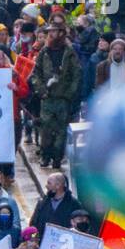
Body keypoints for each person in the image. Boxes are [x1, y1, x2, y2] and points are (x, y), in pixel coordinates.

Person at [30, 21, 81, 170]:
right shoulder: (44, 52)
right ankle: (45, 156)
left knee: (61, 131)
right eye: (49, 32)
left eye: (53, 31)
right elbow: (35, 74)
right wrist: (41, 90)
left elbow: (76, 75)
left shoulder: (69, 52)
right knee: (45, 130)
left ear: (61, 33)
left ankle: (57, 158)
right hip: (47, 98)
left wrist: (69, 94)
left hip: (62, 99)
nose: (50, 34)